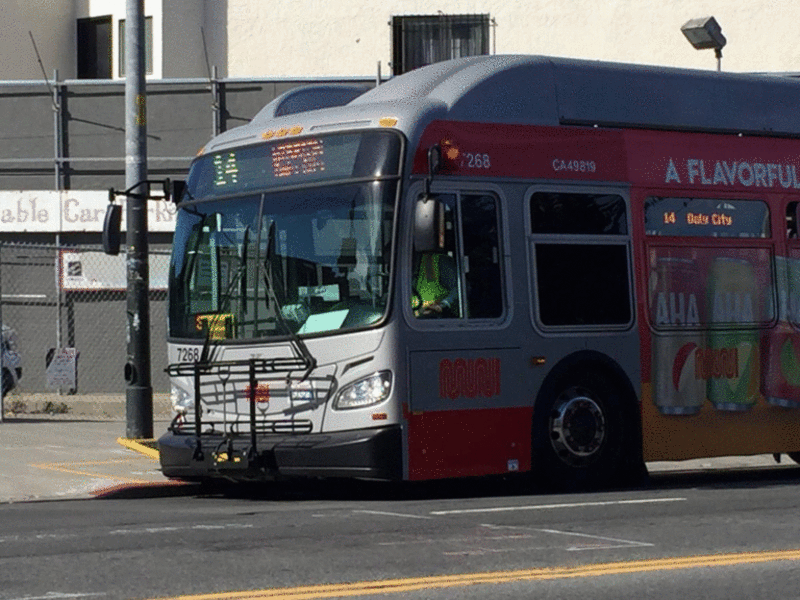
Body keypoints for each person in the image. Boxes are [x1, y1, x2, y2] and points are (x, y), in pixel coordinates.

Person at [412, 250, 459, 317]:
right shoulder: (397, 278)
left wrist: (442, 305)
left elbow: (461, 289)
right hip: (418, 323)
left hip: (451, 322)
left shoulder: (435, 262)